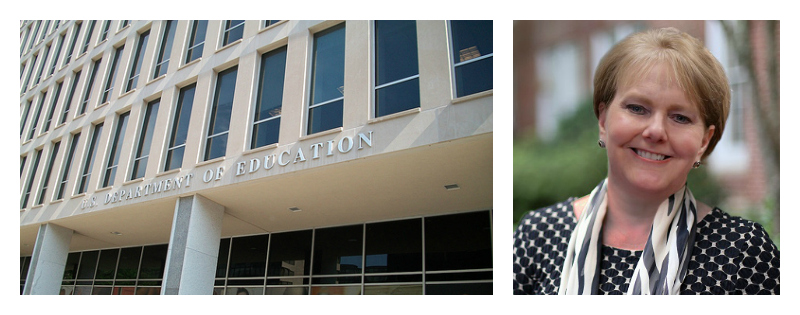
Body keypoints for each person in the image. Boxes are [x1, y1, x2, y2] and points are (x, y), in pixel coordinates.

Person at [513, 27, 779, 295]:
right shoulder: (538, 236)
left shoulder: (744, 253)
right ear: (604, 121)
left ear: (703, 142)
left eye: (680, 117)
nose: (655, 131)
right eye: (637, 108)